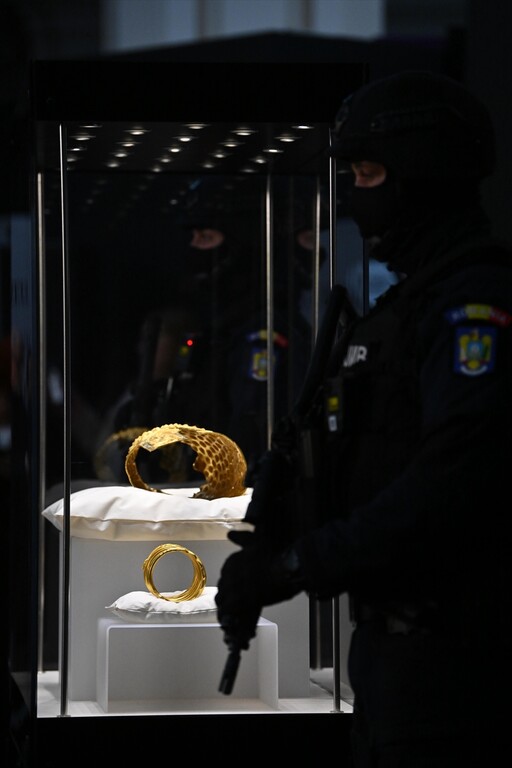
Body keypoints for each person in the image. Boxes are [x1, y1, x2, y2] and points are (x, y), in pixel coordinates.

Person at [215, 70, 512, 766]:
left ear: (422, 176)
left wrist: (297, 563)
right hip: (392, 664)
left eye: (369, 174)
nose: (353, 199)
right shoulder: (400, 312)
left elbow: (453, 482)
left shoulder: (471, 307)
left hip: (459, 672)